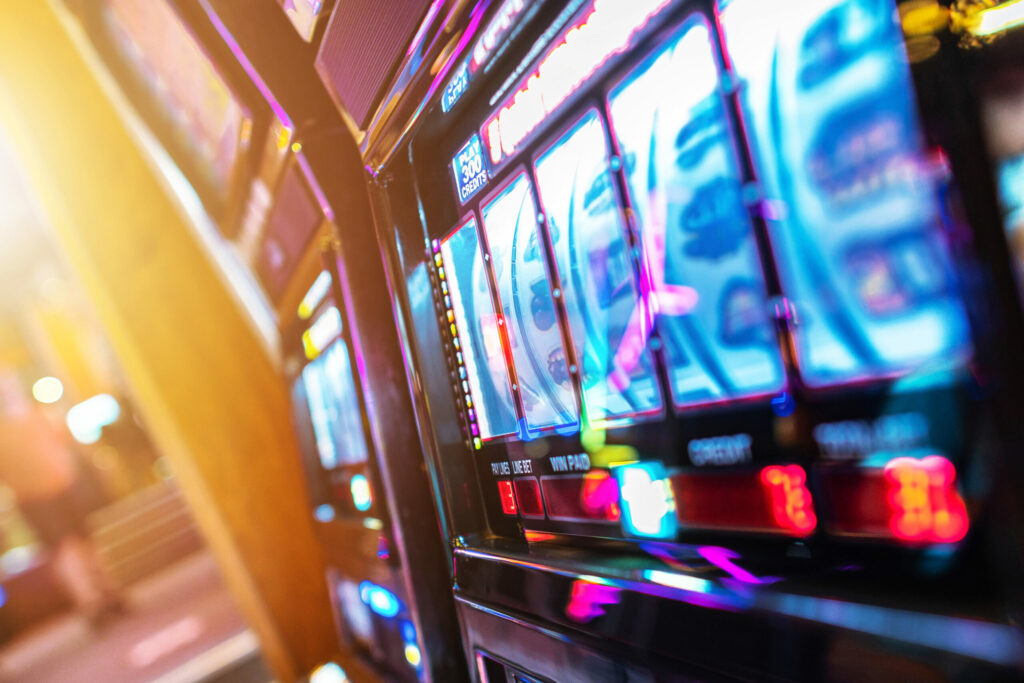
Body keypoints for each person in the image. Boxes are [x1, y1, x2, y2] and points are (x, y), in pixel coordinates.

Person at [0, 369, 124, 626]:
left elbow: (64, 440)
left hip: (63, 486)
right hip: (33, 497)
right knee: (65, 549)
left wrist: (75, 466)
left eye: (8, 382)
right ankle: (91, 602)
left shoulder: (36, 413)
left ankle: (109, 591)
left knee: (86, 541)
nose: (7, 388)